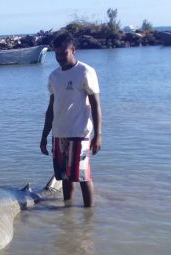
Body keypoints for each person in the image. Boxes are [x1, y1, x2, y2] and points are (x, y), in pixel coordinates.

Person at [40, 32, 102, 207]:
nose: (60, 57)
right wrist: (44, 136)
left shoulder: (86, 72)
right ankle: (67, 212)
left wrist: (98, 135)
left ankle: (88, 217)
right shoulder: (54, 76)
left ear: (73, 50)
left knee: (83, 177)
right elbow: (51, 108)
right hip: (59, 133)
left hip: (80, 133)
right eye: (57, 54)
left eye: (64, 53)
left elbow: (96, 105)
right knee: (65, 178)